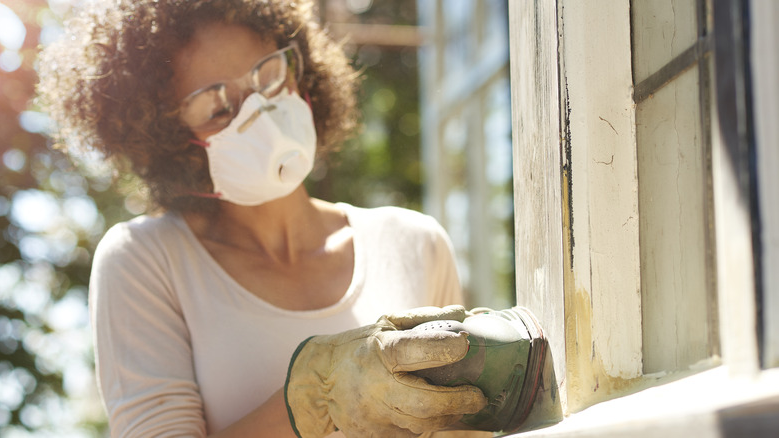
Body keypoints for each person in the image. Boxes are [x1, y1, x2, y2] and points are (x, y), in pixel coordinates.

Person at [37, 1, 493, 436]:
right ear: (169, 142)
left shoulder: (415, 242)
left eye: (269, 76)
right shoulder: (145, 261)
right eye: (218, 108)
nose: (260, 110)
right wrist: (312, 397)